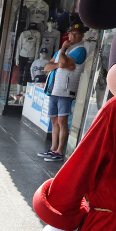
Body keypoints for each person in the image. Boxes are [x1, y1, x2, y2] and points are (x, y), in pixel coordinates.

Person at [38, 18, 87, 162]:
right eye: (71, 34)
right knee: (53, 120)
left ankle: (60, 150)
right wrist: (60, 64)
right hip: (54, 89)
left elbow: (64, 62)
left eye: (76, 35)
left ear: (82, 36)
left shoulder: (80, 50)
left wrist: (63, 53)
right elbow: (47, 66)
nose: (72, 37)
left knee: (61, 120)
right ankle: (53, 148)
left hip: (65, 90)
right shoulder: (60, 50)